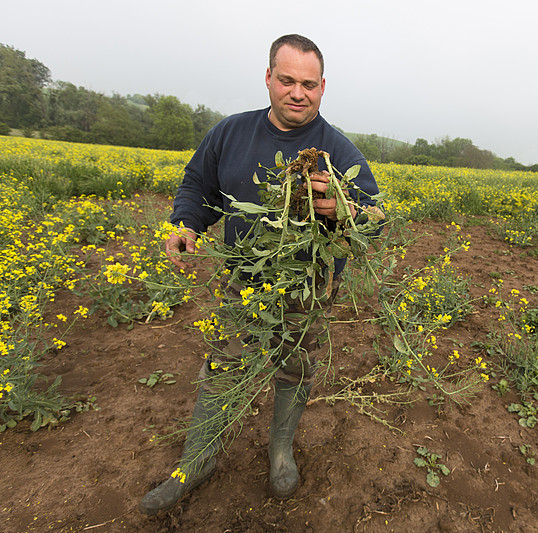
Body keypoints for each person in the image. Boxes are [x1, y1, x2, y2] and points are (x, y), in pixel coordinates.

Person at [139, 34, 380, 516]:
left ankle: (280, 452)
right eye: (287, 80)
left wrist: (343, 211)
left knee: (295, 368)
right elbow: (197, 187)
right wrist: (186, 225)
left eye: (308, 84)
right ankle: (197, 461)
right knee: (225, 368)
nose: (297, 92)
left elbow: (372, 217)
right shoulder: (230, 133)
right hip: (243, 281)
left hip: (308, 289)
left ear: (323, 87)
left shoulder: (338, 152)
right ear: (268, 78)